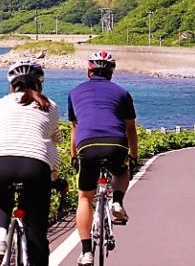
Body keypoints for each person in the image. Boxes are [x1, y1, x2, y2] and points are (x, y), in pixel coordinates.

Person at [0, 60, 62, 265]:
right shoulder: (51, 106)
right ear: (40, 85)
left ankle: (0, 241)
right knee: (36, 227)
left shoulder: (1, 103)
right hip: (35, 165)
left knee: (1, 204)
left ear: (11, 86)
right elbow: (56, 138)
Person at [68, 50, 139, 266]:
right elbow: (131, 129)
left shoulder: (74, 92)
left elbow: (75, 128)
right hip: (115, 143)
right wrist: (134, 156)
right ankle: (117, 202)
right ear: (111, 73)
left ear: (89, 70)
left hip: (87, 145)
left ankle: (87, 251)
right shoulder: (122, 92)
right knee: (121, 170)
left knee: (85, 198)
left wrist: (73, 156)